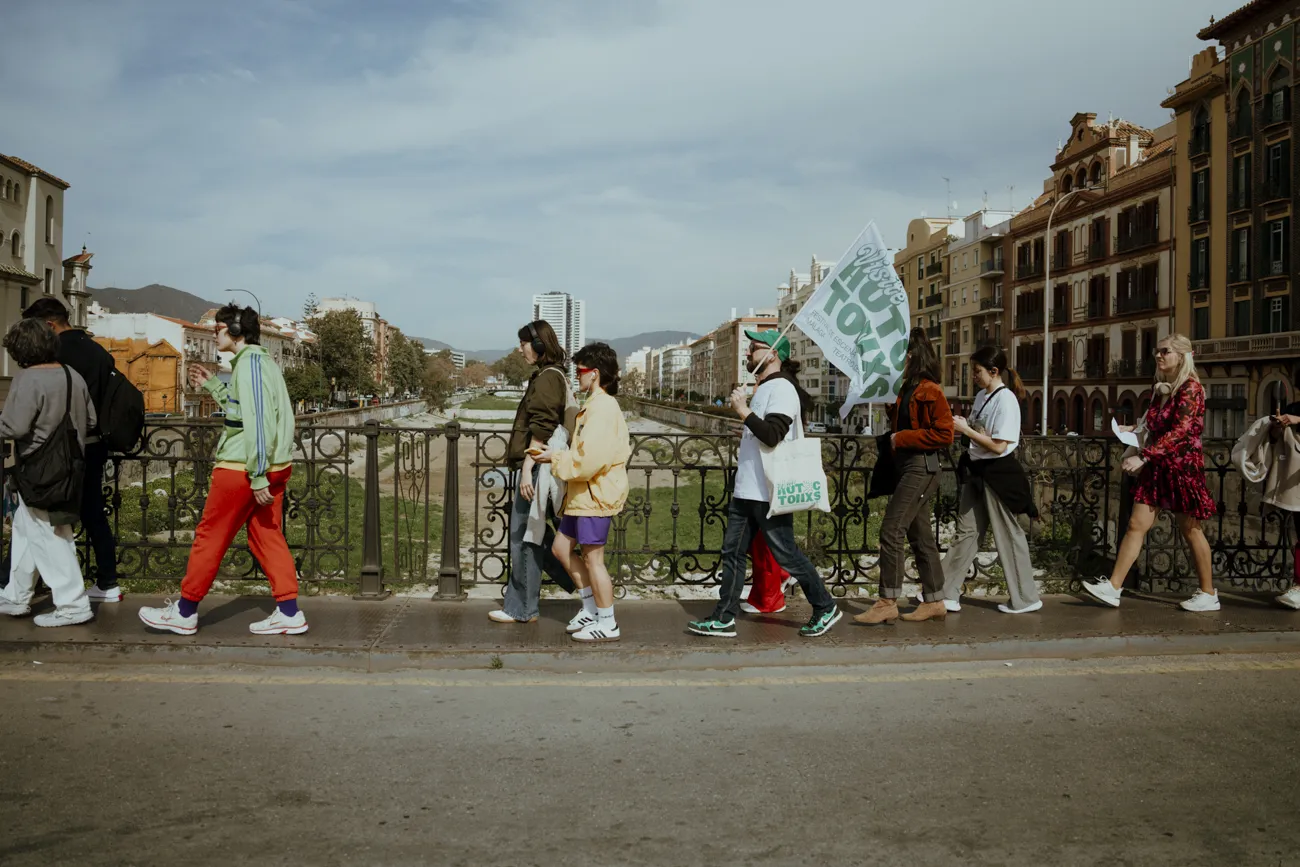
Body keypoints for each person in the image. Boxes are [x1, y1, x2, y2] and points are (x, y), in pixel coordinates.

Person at [137, 304, 305, 635]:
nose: (215, 335)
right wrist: (213, 385)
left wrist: (257, 475)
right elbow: (243, 412)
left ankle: (185, 612)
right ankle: (289, 612)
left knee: (210, 536)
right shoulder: (260, 363)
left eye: (218, 330)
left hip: (243, 468)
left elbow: (258, 423)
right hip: (272, 466)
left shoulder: (251, 365)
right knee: (266, 536)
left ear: (236, 331)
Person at [686, 329, 840, 638]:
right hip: (748, 489)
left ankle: (825, 607)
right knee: (732, 553)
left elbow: (772, 435)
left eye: (754, 347)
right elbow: (763, 432)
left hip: (768, 491)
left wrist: (743, 411)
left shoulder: (782, 388)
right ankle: (724, 617)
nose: (748, 352)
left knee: (787, 554)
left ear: (772, 354)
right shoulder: (766, 387)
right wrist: (745, 427)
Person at [1081, 333, 1218, 611]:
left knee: (1191, 529)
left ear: (1181, 355)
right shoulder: (1161, 388)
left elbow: (1180, 432)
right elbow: (1156, 424)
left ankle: (1208, 594)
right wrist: (1133, 429)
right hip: (1158, 467)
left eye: (1165, 351)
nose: (1158, 355)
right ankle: (1113, 587)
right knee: (1135, 524)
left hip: (1181, 469)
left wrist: (1143, 456)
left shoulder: (1191, 388)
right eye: (1157, 351)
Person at [20, 297, 121, 601]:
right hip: (95, 443)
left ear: (49, 325)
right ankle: (108, 582)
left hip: (58, 449)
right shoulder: (98, 351)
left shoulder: (52, 355)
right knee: (93, 514)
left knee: (41, 515)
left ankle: (28, 585)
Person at [0, 318, 96, 626]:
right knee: (26, 527)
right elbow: (91, 420)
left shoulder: (28, 379)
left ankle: (72, 604)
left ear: (21, 350)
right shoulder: (72, 375)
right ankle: (16, 595)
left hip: (39, 467)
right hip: (71, 464)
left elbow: (14, 426)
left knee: (50, 534)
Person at [856, 327, 954, 625]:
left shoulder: (931, 390)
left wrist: (902, 438)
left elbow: (945, 434)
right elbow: (906, 421)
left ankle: (887, 601)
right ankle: (935, 601)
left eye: (899, 353)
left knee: (892, 529)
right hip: (907, 467)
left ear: (911, 355)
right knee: (920, 536)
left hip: (921, 467)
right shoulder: (907, 388)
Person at [536, 342, 631, 642]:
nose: (577, 376)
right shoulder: (595, 404)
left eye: (580, 371)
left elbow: (589, 461)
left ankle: (608, 622)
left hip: (594, 495)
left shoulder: (603, 408)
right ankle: (591, 609)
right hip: (582, 496)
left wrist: (554, 458)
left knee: (593, 559)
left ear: (595, 373)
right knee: (561, 549)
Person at [941, 345, 1041, 614]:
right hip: (977, 470)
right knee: (967, 531)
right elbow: (982, 434)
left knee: (1007, 534)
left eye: (977, 371)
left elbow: (999, 446)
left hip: (997, 474)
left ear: (994, 371)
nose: (973, 376)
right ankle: (945, 593)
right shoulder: (981, 396)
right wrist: (967, 427)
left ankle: (1026, 598)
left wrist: (966, 430)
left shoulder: (1006, 400)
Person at [490, 320, 577, 624]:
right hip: (543, 466)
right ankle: (576, 585)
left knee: (524, 537)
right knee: (538, 535)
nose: (520, 349)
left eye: (524, 344)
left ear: (539, 346)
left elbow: (542, 425)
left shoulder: (547, 378)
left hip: (538, 468)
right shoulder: (550, 375)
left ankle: (522, 609)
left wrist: (528, 467)